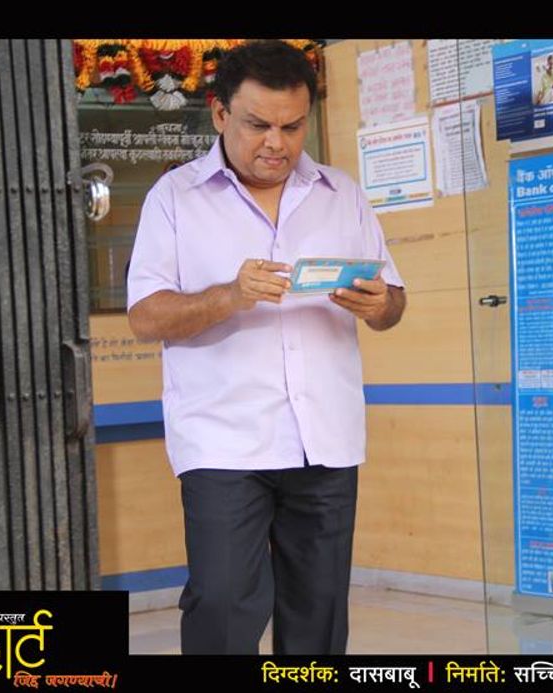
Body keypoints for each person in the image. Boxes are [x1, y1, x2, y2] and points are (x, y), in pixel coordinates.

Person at [126, 39, 407, 655]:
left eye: (292, 126)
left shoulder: (341, 193)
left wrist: (378, 304)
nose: (276, 143)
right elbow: (145, 316)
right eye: (258, 125)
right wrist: (229, 296)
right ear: (220, 113)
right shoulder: (174, 198)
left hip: (325, 438)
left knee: (318, 613)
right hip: (224, 441)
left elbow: (393, 304)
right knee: (223, 604)